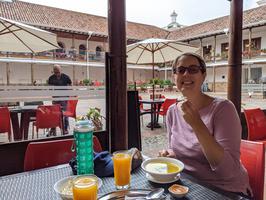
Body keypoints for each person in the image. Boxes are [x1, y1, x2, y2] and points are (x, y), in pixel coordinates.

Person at [159, 53, 252, 196]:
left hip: (225, 189)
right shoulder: (172, 111)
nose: (186, 74)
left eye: (193, 69)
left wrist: (197, 124)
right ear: (174, 77)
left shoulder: (223, 109)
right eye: (181, 70)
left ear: (203, 76)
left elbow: (227, 171)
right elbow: (176, 152)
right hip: (188, 185)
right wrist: (170, 154)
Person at [48, 65, 72, 136]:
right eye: (55, 72)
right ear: (53, 71)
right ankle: (53, 129)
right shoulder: (51, 78)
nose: (57, 74)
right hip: (55, 98)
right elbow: (50, 88)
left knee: (64, 113)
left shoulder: (66, 77)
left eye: (58, 72)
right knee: (54, 113)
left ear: (60, 70)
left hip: (64, 98)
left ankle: (65, 128)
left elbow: (70, 85)